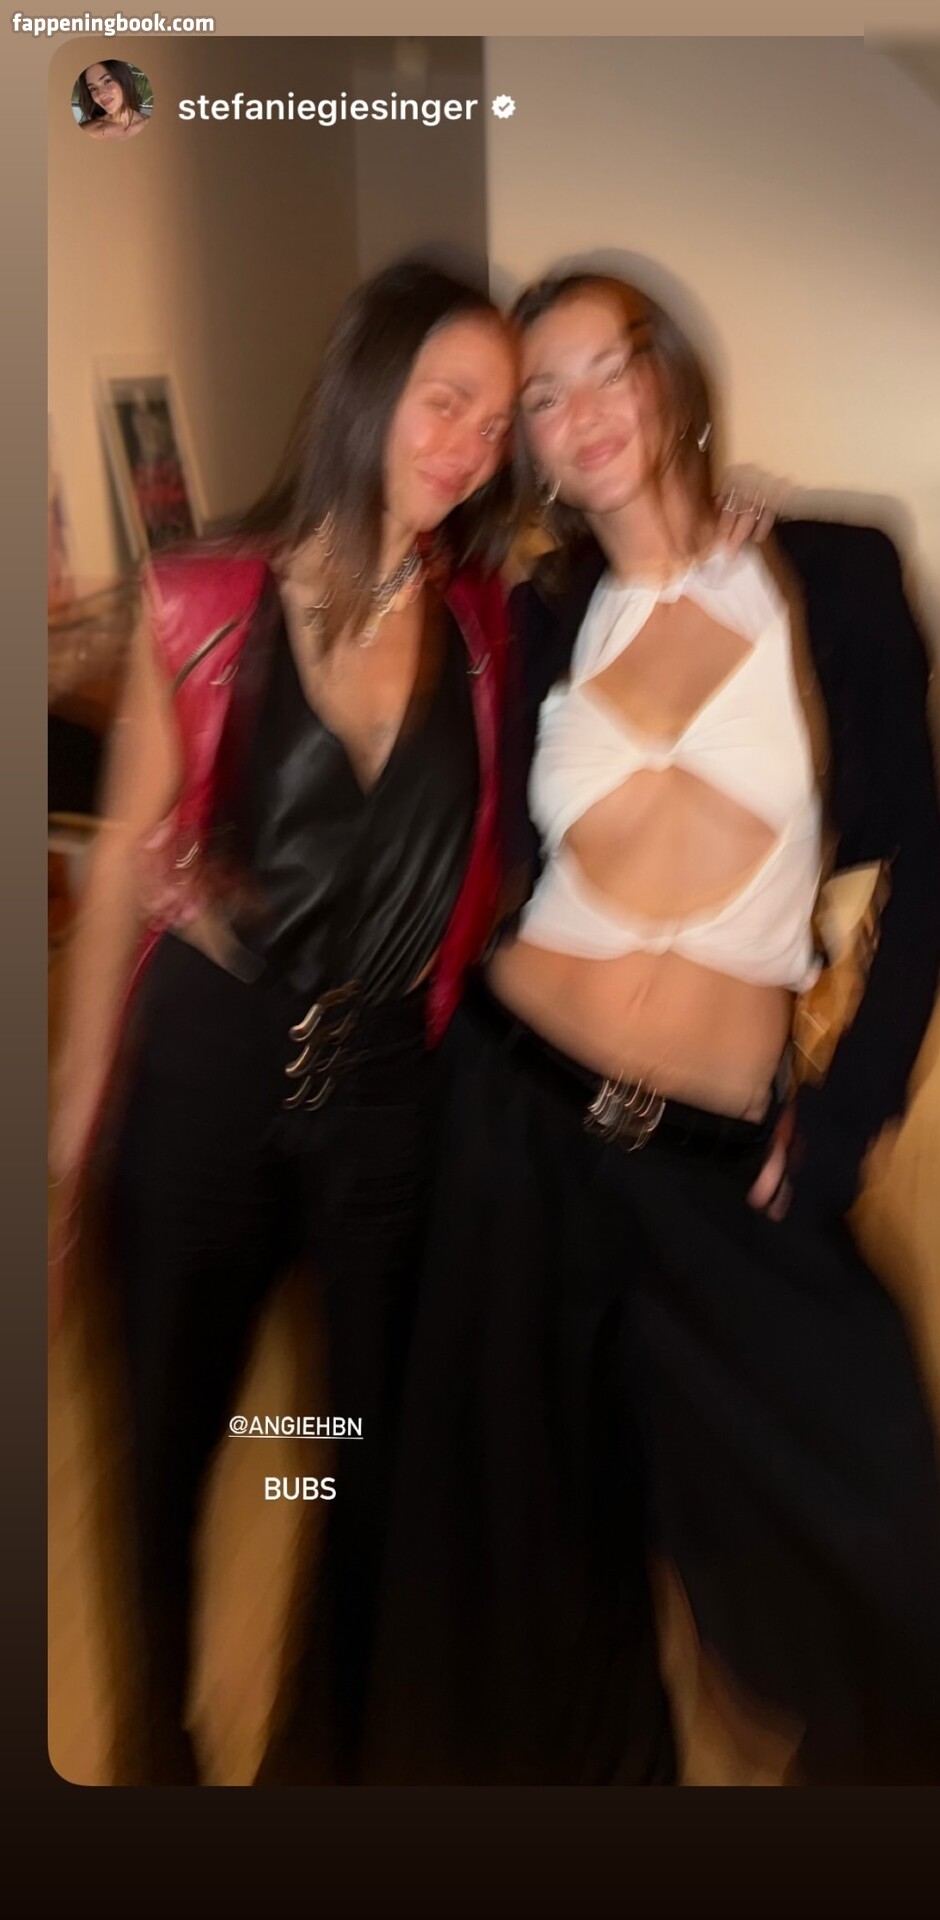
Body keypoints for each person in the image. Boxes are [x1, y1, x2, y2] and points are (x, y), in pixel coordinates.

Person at [359, 269, 940, 1786]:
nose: (579, 411)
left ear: (673, 377)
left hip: (720, 1149)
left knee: (873, 1515)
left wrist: (849, 1119)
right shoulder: (534, 611)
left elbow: (919, 870)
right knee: (524, 1537)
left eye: (610, 367)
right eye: (542, 395)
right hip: (513, 1117)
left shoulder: (833, 571)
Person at [48, 257, 519, 1785]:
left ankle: (324, 1762)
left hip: (385, 1097)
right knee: (169, 1445)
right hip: (206, 1076)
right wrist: (69, 1144)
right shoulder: (202, 600)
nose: (472, 445)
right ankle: (158, 1750)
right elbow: (120, 880)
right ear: (368, 389)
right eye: (447, 401)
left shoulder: (486, 626)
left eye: (497, 421)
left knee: (349, 1460)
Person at [76, 62, 151, 142]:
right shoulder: (86, 131)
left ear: (124, 80)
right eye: (93, 89)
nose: (100, 94)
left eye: (107, 81)